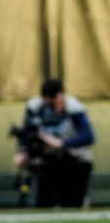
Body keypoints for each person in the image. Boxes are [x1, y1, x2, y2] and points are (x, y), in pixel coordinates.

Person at [14, 78, 94, 208]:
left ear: (61, 95)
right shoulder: (35, 107)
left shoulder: (74, 108)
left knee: (72, 203)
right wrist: (21, 151)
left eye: (55, 102)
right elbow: (26, 132)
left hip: (74, 160)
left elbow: (88, 136)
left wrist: (61, 143)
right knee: (43, 202)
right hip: (48, 161)